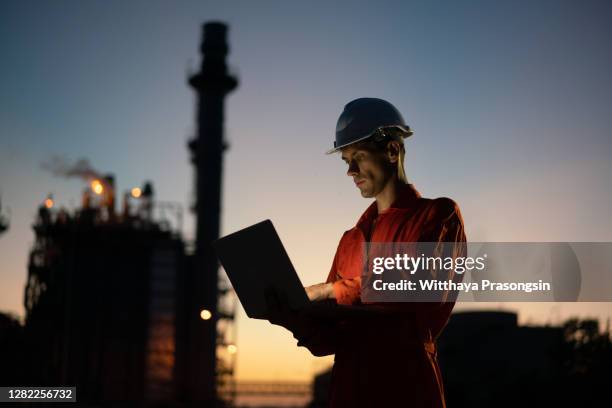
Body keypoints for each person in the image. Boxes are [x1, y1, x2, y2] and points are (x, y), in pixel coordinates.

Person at [267, 98, 466, 408]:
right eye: (346, 159)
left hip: (407, 393)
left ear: (392, 151)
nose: (350, 170)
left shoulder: (437, 215)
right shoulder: (350, 240)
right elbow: (329, 340)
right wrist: (291, 316)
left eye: (358, 156)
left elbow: (413, 293)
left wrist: (327, 291)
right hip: (348, 395)